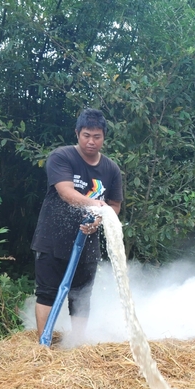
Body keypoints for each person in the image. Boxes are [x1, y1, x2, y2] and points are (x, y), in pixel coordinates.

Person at [31, 108, 123, 338]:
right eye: (86, 135)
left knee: (81, 295)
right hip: (52, 240)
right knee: (47, 293)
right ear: (77, 133)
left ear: (104, 137)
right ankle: (45, 346)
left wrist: (98, 220)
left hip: (88, 243)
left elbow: (115, 205)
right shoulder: (62, 157)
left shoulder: (111, 169)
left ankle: (77, 345)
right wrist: (94, 206)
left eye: (97, 136)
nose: (91, 141)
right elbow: (66, 193)